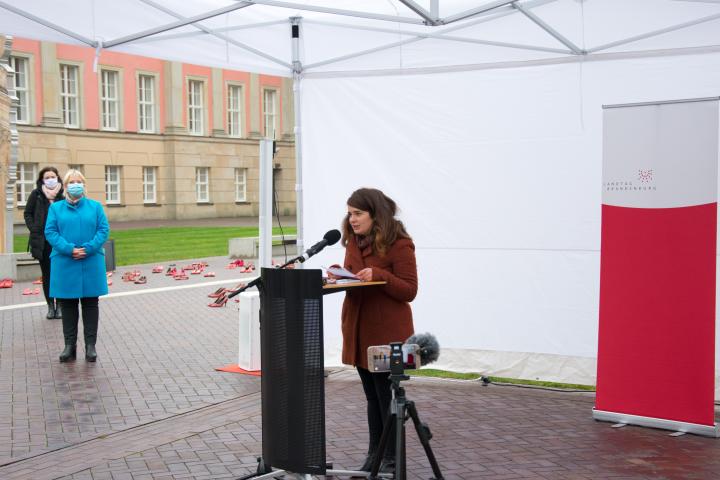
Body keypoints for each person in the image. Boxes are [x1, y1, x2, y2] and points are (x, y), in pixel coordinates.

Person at [333, 188, 418, 475]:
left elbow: (409, 290)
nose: (352, 219)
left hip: (387, 335)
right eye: (350, 213)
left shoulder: (400, 244)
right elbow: (355, 278)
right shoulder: (352, 243)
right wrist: (338, 276)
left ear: (375, 213)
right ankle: (374, 455)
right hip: (358, 330)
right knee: (372, 397)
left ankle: (391, 459)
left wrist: (379, 275)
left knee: (387, 397)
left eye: (358, 213)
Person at [45, 169, 110, 363]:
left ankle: (90, 346)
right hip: (66, 261)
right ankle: (69, 345)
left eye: (79, 181)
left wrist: (88, 248)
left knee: (91, 304)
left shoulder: (95, 207)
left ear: (84, 184)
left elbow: (103, 230)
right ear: (65, 187)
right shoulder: (56, 209)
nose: (75, 185)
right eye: (71, 182)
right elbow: (51, 232)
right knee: (68, 304)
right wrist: (69, 249)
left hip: (90, 260)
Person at [24, 166, 64, 319]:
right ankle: (50, 306)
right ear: (42, 179)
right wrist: (34, 228)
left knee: (59, 274)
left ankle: (60, 305)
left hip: (59, 241)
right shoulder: (37, 194)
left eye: (53, 176)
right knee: (47, 275)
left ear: (57, 177)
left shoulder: (62, 195)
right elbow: (27, 213)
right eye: (47, 177)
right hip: (42, 241)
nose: (50, 179)